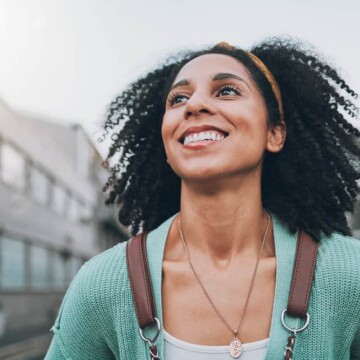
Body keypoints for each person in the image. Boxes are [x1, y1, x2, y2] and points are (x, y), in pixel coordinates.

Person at [45, 38, 360, 359]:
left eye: (227, 91)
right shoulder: (102, 285)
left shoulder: (349, 273)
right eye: (178, 99)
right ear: (166, 144)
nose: (193, 105)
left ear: (274, 134)